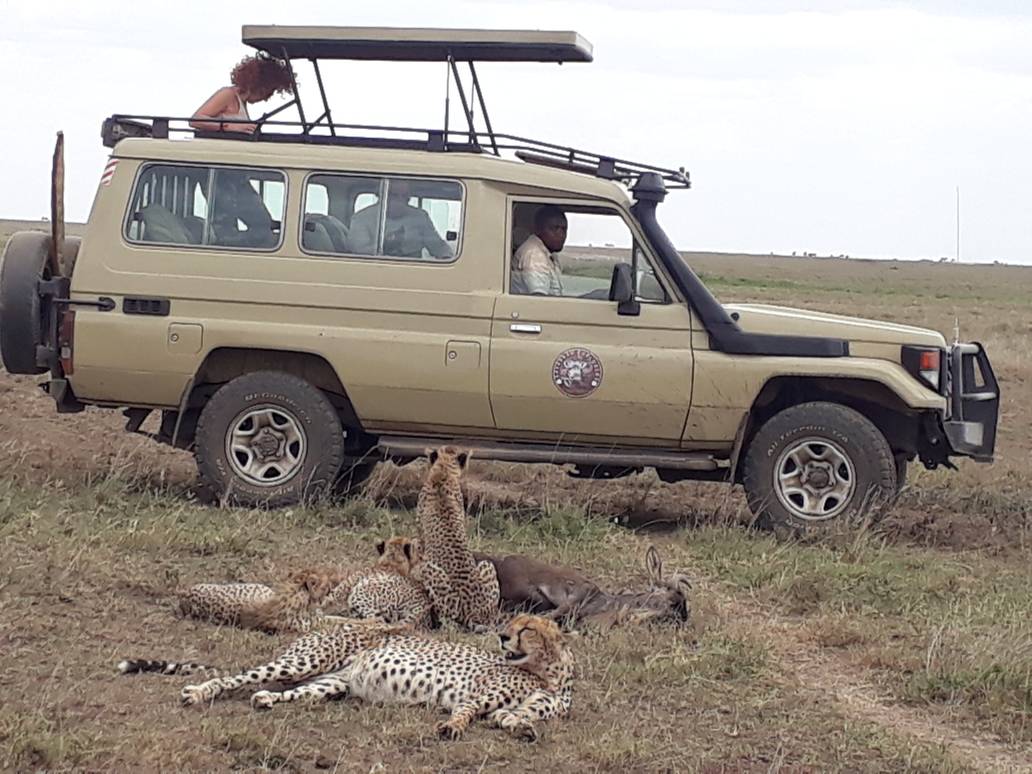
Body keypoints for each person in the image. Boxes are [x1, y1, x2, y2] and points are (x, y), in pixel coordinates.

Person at [190, 54, 295, 134]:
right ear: (256, 85)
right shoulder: (228, 94)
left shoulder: (242, 103)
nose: (265, 99)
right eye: (266, 93)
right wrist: (228, 127)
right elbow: (195, 120)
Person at [348, 181, 454, 259]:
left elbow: (438, 246)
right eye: (394, 195)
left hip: (413, 272)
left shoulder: (419, 217)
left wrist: (447, 258)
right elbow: (357, 253)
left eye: (404, 197)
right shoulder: (361, 219)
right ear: (381, 195)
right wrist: (386, 245)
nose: (399, 201)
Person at [511, 205, 567, 296]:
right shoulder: (534, 255)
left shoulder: (548, 253)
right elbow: (540, 300)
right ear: (538, 230)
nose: (561, 234)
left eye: (564, 229)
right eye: (554, 229)